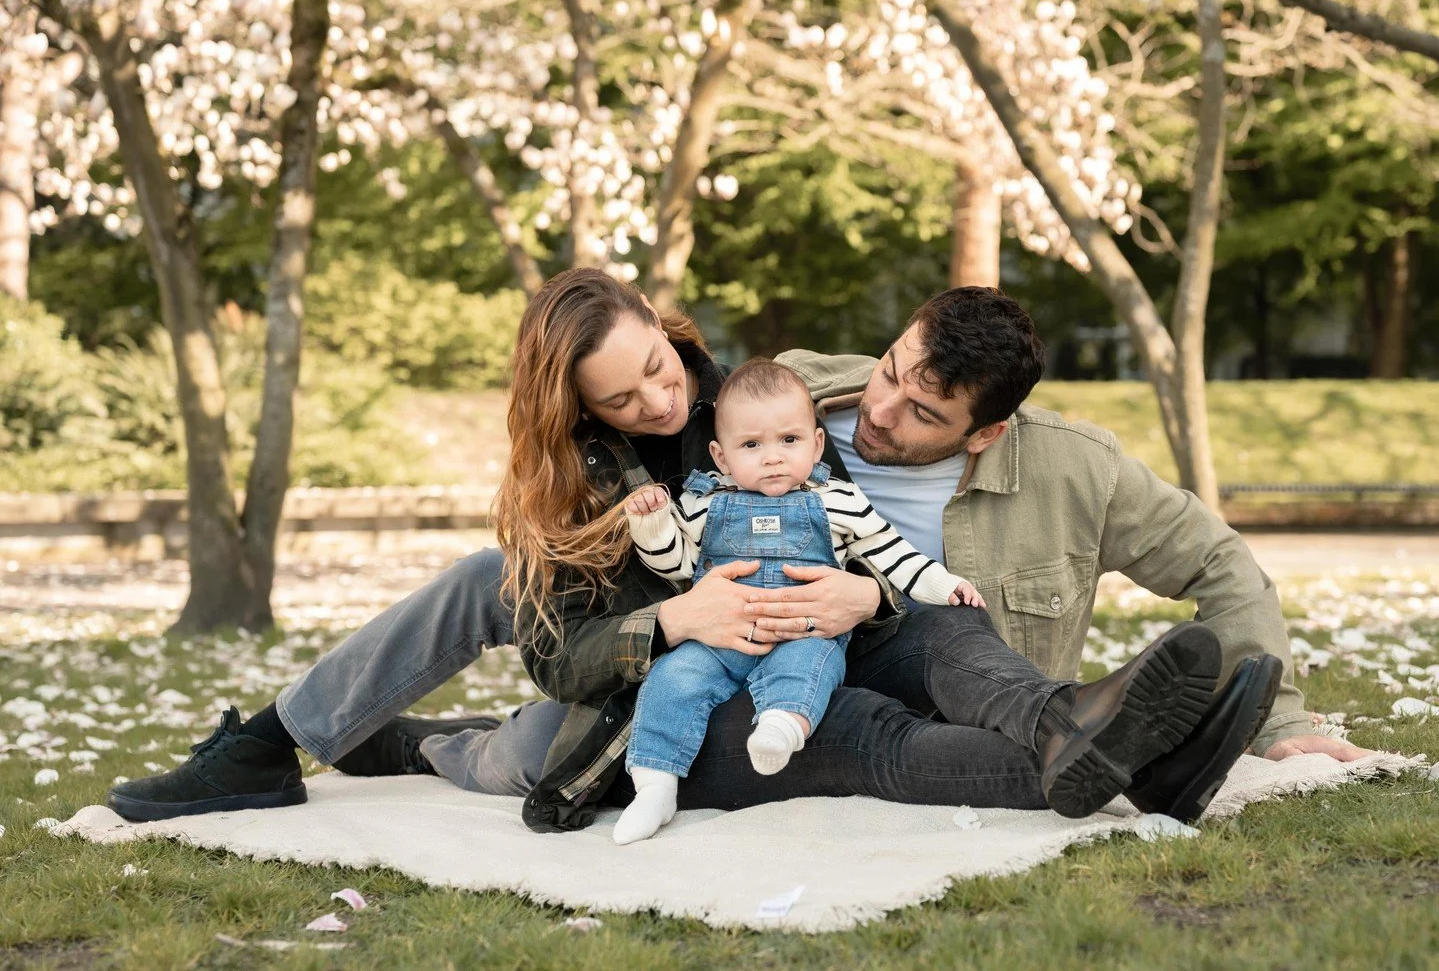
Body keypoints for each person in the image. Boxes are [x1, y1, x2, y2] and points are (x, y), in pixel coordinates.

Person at [103, 275, 1323, 831]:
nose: (653, 400)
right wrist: (673, 621)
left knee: (935, 635)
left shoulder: (765, 403)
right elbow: (565, 655)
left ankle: (1084, 735)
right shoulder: (596, 472)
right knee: (502, 727)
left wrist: (862, 587)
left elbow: (873, 529)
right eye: (620, 395)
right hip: (651, 692)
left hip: (840, 639)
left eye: (659, 368)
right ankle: (305, 740)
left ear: (671, 331)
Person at [614, 358, 983, 844]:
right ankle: (655, 787)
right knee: (672, 678)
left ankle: (781, 728)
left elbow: (894, 554)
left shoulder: (840, 501)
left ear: (816, 443)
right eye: (751, 445)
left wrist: (945, 586)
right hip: (718, 639)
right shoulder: (704, 504)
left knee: (811, 663)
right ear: (721, 458)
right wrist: (653, 525)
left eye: (789, 441)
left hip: (802, 630)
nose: (773, 457)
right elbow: (676, 564)